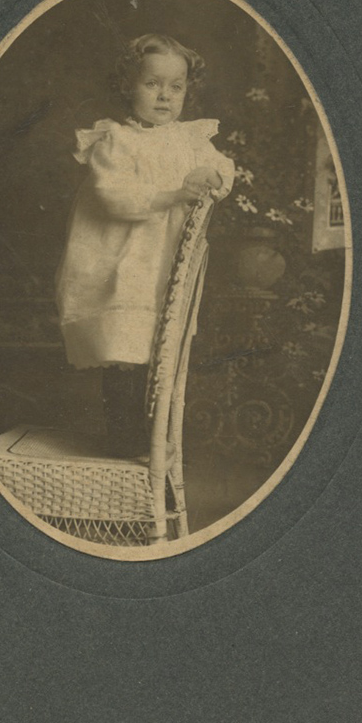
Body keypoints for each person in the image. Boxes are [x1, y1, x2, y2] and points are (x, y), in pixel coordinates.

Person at [55, 34, 234, 458]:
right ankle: (126, 442)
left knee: (160, 352)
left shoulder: (190, 139)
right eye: (152, 84)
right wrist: (173, 195)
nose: (164, 96)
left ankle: (153, 441)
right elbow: (113, 196)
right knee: (126, 350)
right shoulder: (116, 141)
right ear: (127, 85)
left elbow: (224, 170)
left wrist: (210, 175)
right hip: (120, 264)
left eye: (176, 86)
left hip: (164, 265)